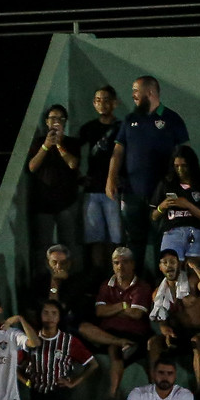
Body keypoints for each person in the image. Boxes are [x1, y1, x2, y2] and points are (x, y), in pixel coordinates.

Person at [108, 75, 188, 261]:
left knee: (163, 240)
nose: (133, 95)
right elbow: (118, 152)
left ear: (150, 92)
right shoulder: (130, 119)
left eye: (136, 90)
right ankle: (136, 278)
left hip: (161, 193)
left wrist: (181, 184)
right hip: (132, 192)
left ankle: (161, 280)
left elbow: (185, 153)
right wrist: (110, 178)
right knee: (134, 241)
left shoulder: (172, 118)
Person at [22, 300, 96, 400]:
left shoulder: (69, 341)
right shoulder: (29, 340)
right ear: (39, 315)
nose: (50, 317)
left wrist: (73, 382)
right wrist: (26, 381)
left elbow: (92, 364)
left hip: (60, 395)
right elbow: (14, 365)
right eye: (46, 313)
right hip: (37, 395)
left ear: (59, 317)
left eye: (54, 313)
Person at [81, 246, 151, 397]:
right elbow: (100, 312)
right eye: (116, 263)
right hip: (107, 332)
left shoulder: (142, 286)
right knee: (83, 327)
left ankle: (112, 395)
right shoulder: (106, 285)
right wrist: (123, 305)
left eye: (125, 262)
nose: (120, 266)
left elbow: (136, 314)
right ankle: (120, 342)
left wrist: (112, 309)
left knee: (114, 349)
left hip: (133, 333)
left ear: (132, 264)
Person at [148, 249, 200, 388]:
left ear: (179, 264)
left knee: (197, 341)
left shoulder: (192, 282)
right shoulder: (159, 293)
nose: (169, 266)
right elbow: (162, 319)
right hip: (178, 335)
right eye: (165, 262)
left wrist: (195, 267)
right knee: (153, 343)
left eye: (172, 262)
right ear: (160, 267)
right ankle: (153, 387)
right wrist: (164, 328)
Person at [25, 102, 82, 263]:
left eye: (60, 119)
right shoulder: (38, 142)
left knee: (68, 242)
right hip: (42, 202)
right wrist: (46, 146)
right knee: (43, 244)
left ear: (65, 122)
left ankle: (69, 274)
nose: (56, 122)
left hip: (66, 202)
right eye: (52, 118)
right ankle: (44, 274)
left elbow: (73, 164)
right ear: (46, 121)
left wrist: (58, 145)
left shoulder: (72, 143)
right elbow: (32, 167)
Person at [77, 84, 122, 274]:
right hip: (92, 190)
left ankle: (115, 275)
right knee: (95, 238)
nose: (101, 104)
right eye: (97, 100)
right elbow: (75, 153)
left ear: (114, 103)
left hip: (114, 190)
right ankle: (98, 276)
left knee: (115, 238)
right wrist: (79, 177)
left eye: (106, 100)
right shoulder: (88, 128)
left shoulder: (121, 127)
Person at [152, 144, 200, 262]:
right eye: (177, 166)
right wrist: (162, 206)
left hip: (196, 232)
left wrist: (188, 205)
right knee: (171, 267)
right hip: (172, 232)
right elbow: (154, 216)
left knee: (195, 270)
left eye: (184, 166)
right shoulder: (166, 183)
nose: (180, 170)